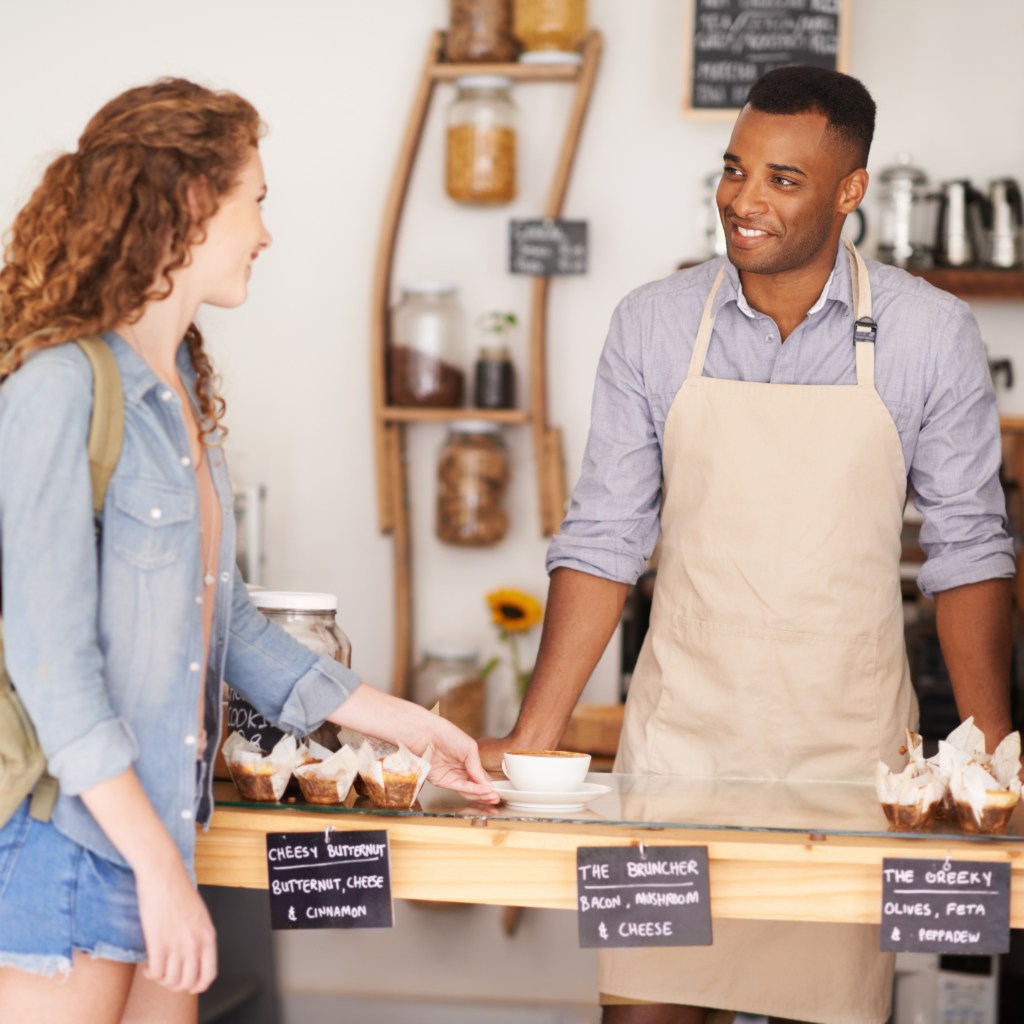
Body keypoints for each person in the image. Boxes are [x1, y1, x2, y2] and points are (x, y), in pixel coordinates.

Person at [479, 65, 1016, 1024]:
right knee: (642, 1012)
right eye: (735, 169)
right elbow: (603, 539)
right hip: (672, 761)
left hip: (850, 769)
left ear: (850, 191)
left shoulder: (930, 335)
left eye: (783, 178)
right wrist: (535, 738)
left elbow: (969, 552)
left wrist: (993, 760)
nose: (744, 200)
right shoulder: (651, 324)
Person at [0, 78, 498, 1024]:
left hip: (156, 840)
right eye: (255, 201)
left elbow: (218, 618)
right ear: (194, 203)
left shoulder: (181, 382)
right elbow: (53, 665)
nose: (266, 232)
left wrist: (400, 723)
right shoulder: (57, 390)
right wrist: (157, 870)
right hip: (69, 845)